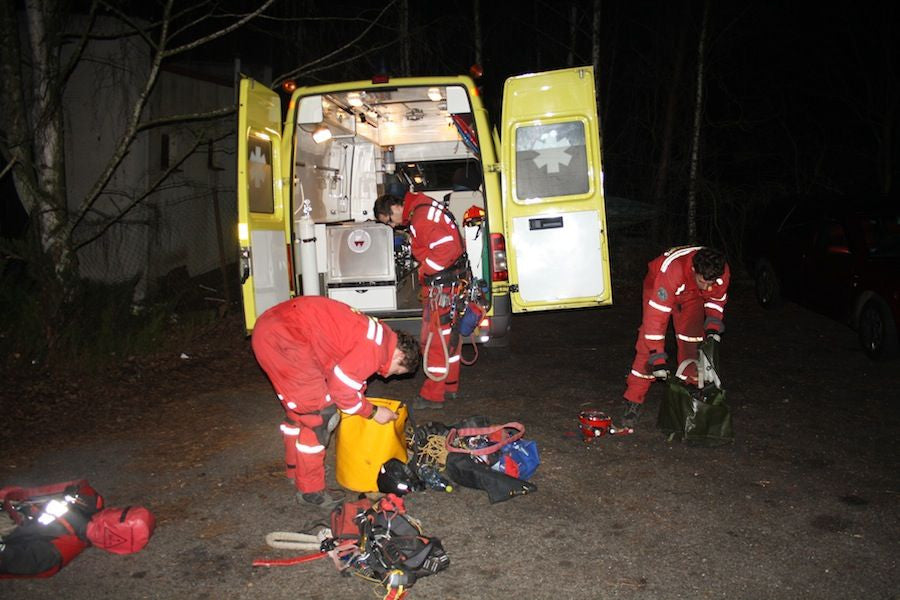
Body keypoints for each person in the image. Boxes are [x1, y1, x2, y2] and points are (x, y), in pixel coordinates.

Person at [251, 296, 419, 510]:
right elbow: (341, 389)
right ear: (399, 355)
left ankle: (296, 469)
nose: (387, 377)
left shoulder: (379, 336)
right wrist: (372, 411)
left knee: (301, 412)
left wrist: (359, 399)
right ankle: (310, 491)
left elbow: (344, 371)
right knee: (319, 417)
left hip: (274, 328)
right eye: (396, 371)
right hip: (285, 338)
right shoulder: (375, 350)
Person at [374, 189, 467, 410]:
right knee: (449, 338)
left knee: (435, 341)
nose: (393, 226)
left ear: (395, 208)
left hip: (441, 287)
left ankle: (433, 395)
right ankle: (450, 385)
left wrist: (426, 271)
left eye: (389, 221)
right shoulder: (423, 208)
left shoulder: (421, 218)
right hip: (450, 283)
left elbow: (447, 249)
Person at [620, 246, 730, 430]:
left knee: (693, 343)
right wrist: (657, 356)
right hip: (658, 285)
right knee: (647, 347)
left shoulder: (719, 272)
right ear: (694, 270)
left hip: (691, 295)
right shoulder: (673, 270)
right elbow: (656, 318)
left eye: (712, 282)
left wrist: (712, 327)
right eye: (705, 281)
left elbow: (716, 299)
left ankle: (691, 396)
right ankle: (633, 401)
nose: (709, 287)